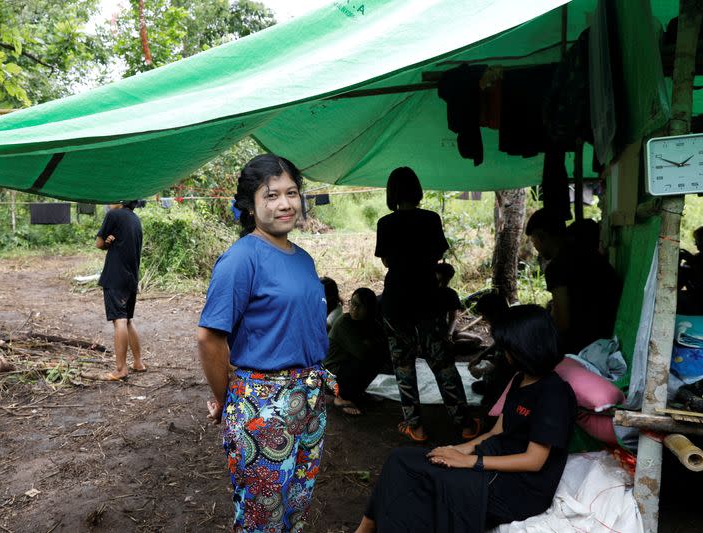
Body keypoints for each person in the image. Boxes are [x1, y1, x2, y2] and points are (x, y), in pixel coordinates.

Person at [197, 154, 333, 532]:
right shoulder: (241, 260)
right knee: (263, 516)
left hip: (309, 399)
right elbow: (209, 337)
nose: (285, 203)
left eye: (292, 193)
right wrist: (230, 400)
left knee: (297, 505)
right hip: (262, 406)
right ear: (250, 205)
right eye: (271, 195)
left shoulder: (303, 259)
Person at [356, 305, 577, 533]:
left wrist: (470, 461)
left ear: (526, 346)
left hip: (517, 488)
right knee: (400, 459)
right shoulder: (520, 378)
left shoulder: (554, 394)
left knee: (428, 482)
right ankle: (364, 530)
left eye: (507, 346)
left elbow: (534, 460)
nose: (503, 352)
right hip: (492, 462)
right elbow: (495, 432)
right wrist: (458, 449)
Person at [375, 166, 477, 442]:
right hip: (427, 299)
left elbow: (386, 261)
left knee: (403, 366)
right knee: (442, 363)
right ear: (417, 191)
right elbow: (437, 254)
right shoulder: (431, 219)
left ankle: (415, 427)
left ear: (392, 193)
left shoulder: (386, 223)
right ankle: (465, 424)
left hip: (395, 302)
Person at [525, 209, 622, 355]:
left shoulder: (557, 266)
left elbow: (562, 322)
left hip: (586, 344)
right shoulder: (588, 253)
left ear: (541, 236)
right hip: (609, 332)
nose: (535, 248)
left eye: (534, 241)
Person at [95, 200, 145, 380]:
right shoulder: (135, 219)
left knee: (120, 321)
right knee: (128, 320)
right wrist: (110, 241)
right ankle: (138, 362)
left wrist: (106, 242)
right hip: (131, 277)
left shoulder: (113, 215)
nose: (109, 202)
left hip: (115, 276)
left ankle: (120, 369)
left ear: (122, 200)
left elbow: (98, 243)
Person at [324, 287, 390, 415]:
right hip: (331, 374)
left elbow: (384, 347)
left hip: (344, 369)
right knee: (363, 360)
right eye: (352, 303)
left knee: (378, 358)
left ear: (369, 309)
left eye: (359, 305)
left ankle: (357, 392)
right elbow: (363, 353)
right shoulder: (344, 322)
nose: (354, 308)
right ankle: (341, 398)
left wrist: (370, 345)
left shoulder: (373, 324)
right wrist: (370, 344)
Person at [467, 293, 514, 412]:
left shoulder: (511, 326)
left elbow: (512, 357)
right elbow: (498, 344)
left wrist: (490, 368)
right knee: (478, 386)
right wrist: (480, 356)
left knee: (489, 402)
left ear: (494, 313)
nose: (483, 318)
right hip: (504, 367)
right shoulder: (498, 325)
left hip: (514, 371)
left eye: (484, 315)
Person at [678, 226, 703, 315]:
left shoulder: (696, 259)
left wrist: (692, 261)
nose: (695, 244)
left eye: (698, 240)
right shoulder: (698, 257)